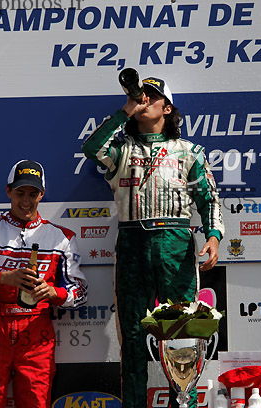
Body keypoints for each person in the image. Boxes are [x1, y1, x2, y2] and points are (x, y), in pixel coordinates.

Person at [82, 76, 224, 408]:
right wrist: (125, 110)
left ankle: (184, 404)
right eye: (140, 95)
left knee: (182, 333)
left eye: (152, 96)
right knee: (132, 336)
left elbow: (209, 199)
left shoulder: (188, 151)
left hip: (176, 241)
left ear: (168, 108)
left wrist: (214, 236)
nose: (144, 99)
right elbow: (91, 148)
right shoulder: (121, 150)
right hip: (132, 242)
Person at [0, 159, 88, 408]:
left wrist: (54, 292)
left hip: (37, 333)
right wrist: (2, 278)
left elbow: (79, 292)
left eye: (33, 194)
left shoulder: (61, 237)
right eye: (20, 193)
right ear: (8, 191)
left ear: (42, 194)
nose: (26, 200)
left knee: (36, 404)